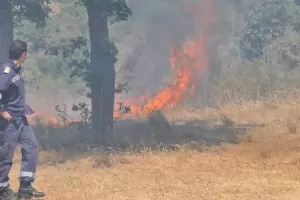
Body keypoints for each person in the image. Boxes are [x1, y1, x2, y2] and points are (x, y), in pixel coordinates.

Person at [0, 40, 45, 199]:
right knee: (6, 155)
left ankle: (25, 186)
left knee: (32, 146)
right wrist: (1, 112)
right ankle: (2, 190)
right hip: (9, 121)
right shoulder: (7, 72)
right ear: (23, 54)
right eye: (26, 53)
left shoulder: (17, 69)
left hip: (21, 118)